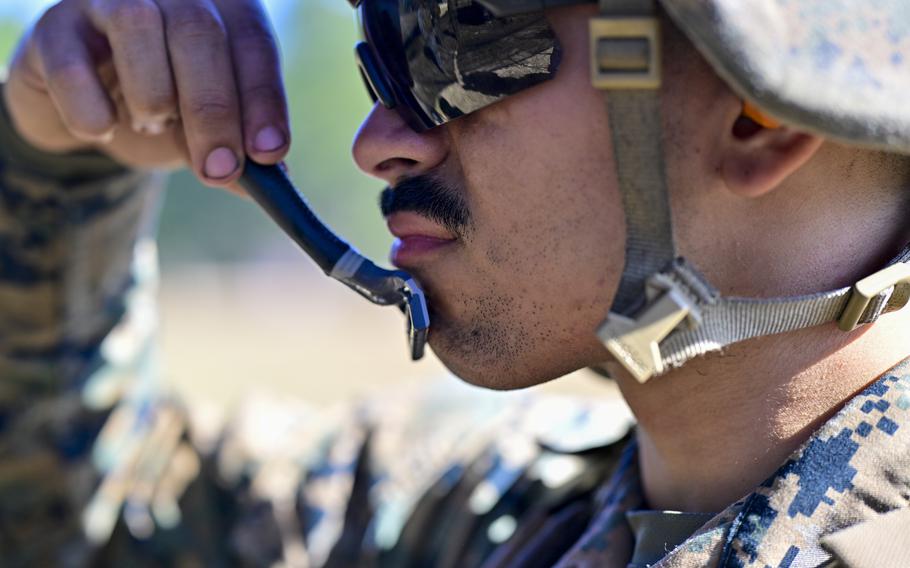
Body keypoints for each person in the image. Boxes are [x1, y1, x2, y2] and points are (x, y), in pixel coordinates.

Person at [1, 0, 909, 566]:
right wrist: (61, 160)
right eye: (382, 46)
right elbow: (88, 520)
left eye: (462, 41)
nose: (376, 143)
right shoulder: (499, 510)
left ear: (760, 118)